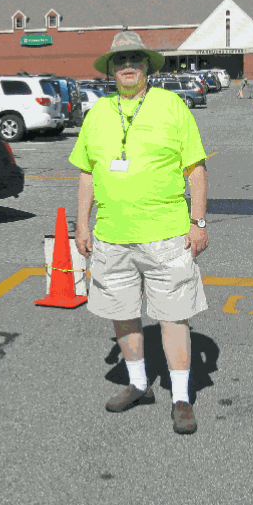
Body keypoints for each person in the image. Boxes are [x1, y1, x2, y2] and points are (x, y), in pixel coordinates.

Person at [70, 30, 209, 435]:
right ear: (111, 69)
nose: (127, 66)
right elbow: (86, 173)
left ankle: (181, 397)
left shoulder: (172, 106)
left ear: (147, 65)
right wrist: (83, 223)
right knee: (122, 313)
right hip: (112, 235)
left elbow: (195, 168)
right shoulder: (97, 112)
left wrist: (197, 221)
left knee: (173, 316)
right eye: (119, 60)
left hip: (166, 234)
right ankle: (137, 384)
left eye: (135, 59)